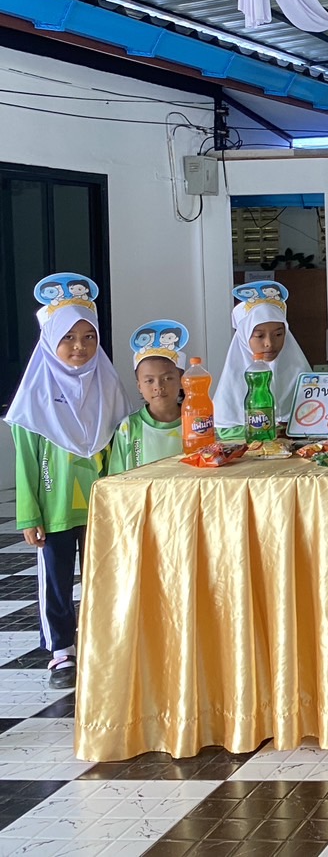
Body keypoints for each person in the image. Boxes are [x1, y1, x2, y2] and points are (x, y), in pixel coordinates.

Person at [3, 274, 129, 688]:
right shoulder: (35, 394)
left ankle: (102, 643)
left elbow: (120, 448)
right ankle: (61, 650)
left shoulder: (107, 385)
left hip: (101, 508)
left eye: (89, 337)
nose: (80, 347)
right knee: (55, 582)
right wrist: (29, 514)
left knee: (103, 576)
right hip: (54, 508)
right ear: (50, 340)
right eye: (69, 338)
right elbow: (25, 461)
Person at [215, 282, 313, 441]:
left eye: (278, 334)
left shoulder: (299, 372)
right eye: (259, 336)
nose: (269, 343)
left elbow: (317, 419)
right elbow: (226, 431)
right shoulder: (234, 377)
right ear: (244, 336)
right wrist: (274, 429)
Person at [108, 321, 189, 471]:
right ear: (139, 386)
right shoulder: (129, 427)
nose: (158, 386)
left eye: (167, 378)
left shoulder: (197, 422)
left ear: (182, 381)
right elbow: (116, 476)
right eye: (149, 381)